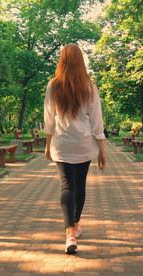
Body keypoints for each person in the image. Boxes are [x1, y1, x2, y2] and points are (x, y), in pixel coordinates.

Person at [44, 44, 107, 254]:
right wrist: (102, 151)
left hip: (62, 144)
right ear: (82, 62)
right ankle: (76, 223)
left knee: (66, 187)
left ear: (62, 61)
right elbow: (97, 122)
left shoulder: (53, 85)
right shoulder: (89, 87)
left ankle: (70, 232)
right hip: (83, 145)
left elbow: (49, 119)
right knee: (80, 186)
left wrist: (47, 146)